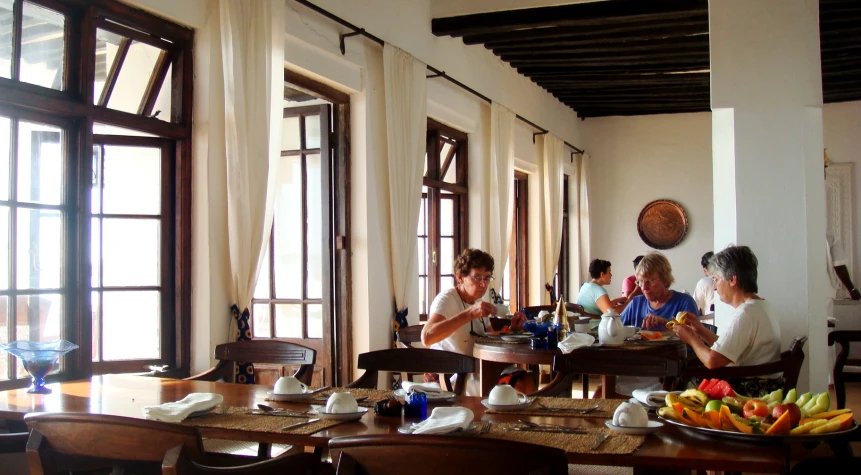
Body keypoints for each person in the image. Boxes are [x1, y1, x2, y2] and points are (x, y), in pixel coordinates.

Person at [673, 245, 782, 395]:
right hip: (767, 387)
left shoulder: (746, 313)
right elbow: (727, 349)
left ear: (732, 280)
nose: (715, 288)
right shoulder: (761, 306)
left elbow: (712, 361)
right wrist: (699, 329)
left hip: (749, 391)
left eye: (716, 279)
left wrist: (691, 338)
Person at [420, 248, 527, 395]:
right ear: (460, 277)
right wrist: (469, 314)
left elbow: (490, 338)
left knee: (524, 380)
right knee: (518, 386)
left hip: (477, 370)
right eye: (477, 277)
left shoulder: (478, 302)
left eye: (487, 278)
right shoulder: (446, 300)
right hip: (452, 377)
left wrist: (513, 329)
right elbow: (426, 337)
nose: (483, 284)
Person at [620, 252, 698, 330]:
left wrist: (666, 324)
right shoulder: (636, 304)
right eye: (640, 281)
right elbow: (615, 329)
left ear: (665, 280)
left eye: (651, 281)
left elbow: (696, 338)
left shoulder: (684, 302)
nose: (644, 287)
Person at [692, 251, 715, 317]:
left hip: (710, 325)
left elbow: (693, 308)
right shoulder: (726, 279)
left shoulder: (704, 282)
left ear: (705, 270)